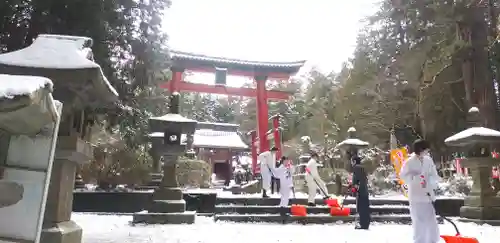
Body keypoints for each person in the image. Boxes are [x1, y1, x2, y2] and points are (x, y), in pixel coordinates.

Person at [400, 139, 440, 243]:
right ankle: (419, 241)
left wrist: (430, 182)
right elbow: (403, 176)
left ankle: (433, 240)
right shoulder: (409, 162)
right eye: (425, 150)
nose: (427, 152)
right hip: (416, 197)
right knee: (418, 221)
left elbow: (434, 175)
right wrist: (415, 178)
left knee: (431, 220)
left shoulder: (428, 160)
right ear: (419, 149)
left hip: (428, 196)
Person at [350, 156, 371, 230]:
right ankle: (365, 224)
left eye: (351, 161)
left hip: (361, 192)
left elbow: (358, 181)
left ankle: (363, 224)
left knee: (362, 208)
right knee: (364, 208)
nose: (351, 163)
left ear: (354, 161)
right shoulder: (361, 168)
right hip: (364, 191)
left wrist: (355, 187)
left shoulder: (357, 168)